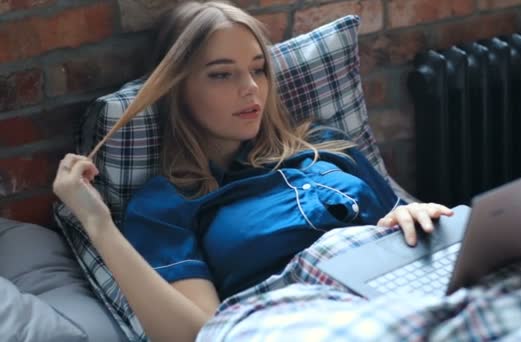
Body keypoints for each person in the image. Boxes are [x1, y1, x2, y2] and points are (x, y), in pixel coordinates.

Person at [52, 1, 453, 341]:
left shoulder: (327, 145)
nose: (251, 88)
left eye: (258, 69)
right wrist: (97, 222)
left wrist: (409, 215)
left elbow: (401, 223)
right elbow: (197, 333)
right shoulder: (167, 201)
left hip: (407, 297)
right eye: (222, 74)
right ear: (177, 89)